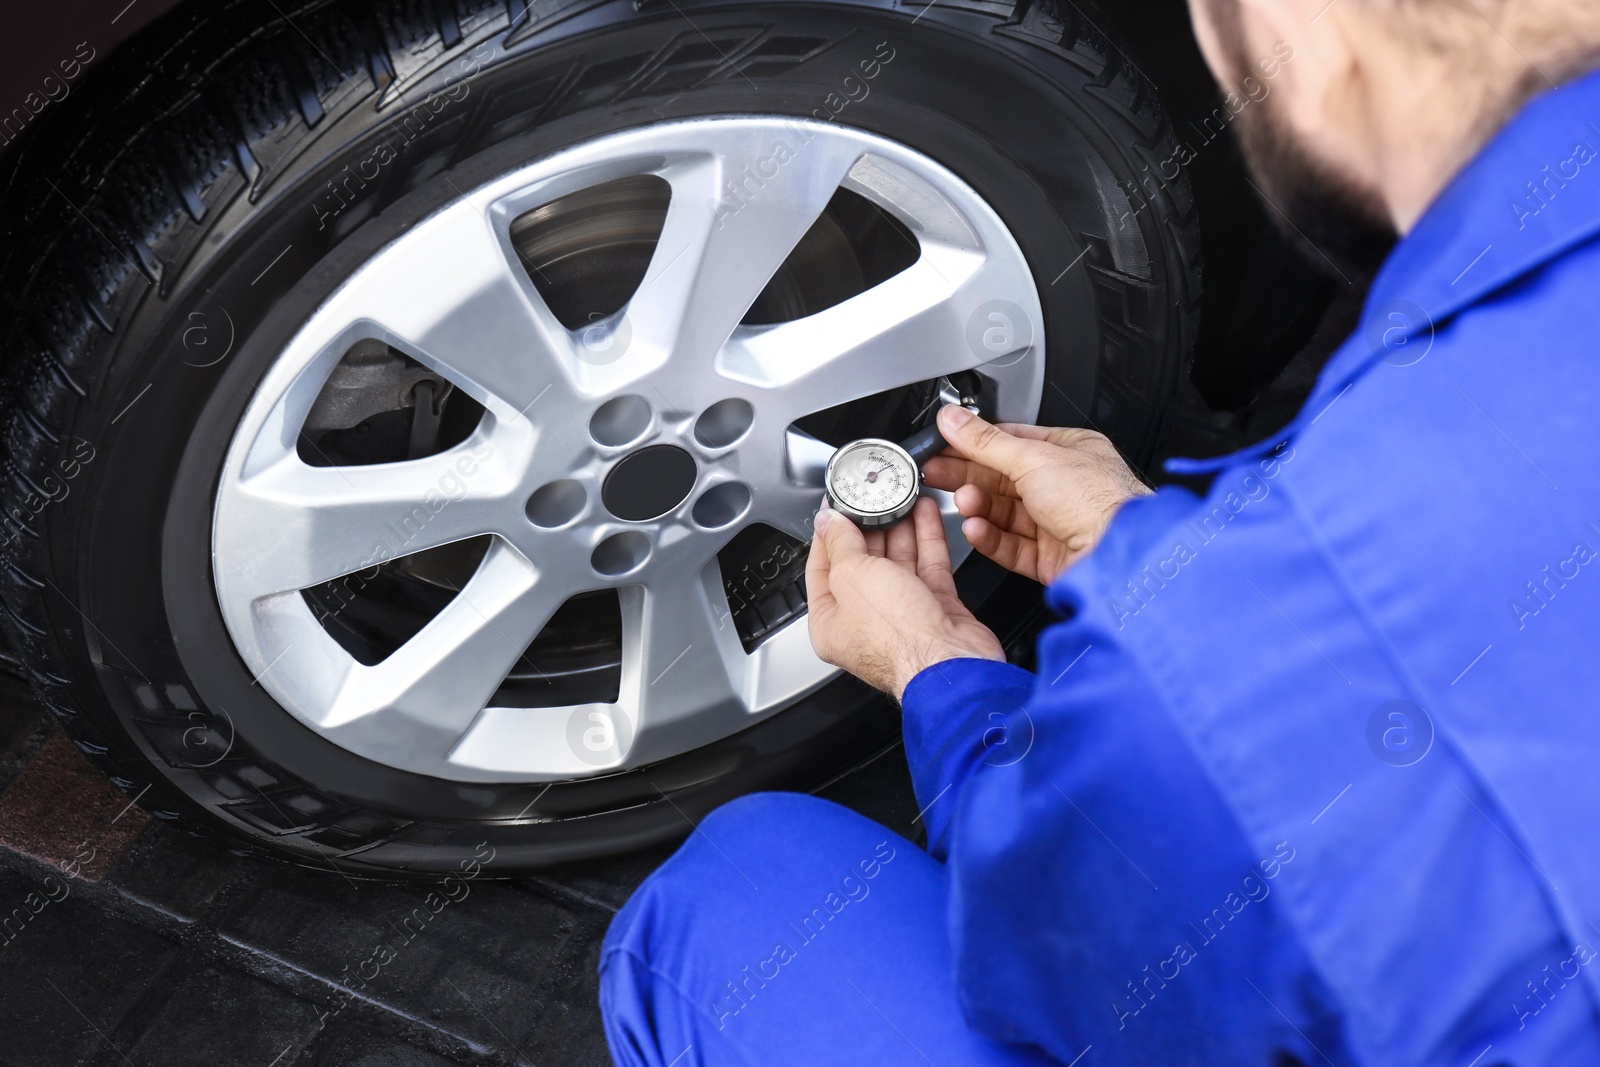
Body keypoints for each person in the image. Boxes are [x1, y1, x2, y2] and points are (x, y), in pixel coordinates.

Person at [599, 0, 1600, 1062]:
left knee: (731, 897)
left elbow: (1079, 985)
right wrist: (1180, 579)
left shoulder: (1304, 653)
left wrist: (941, 671)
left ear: (1308, 32)